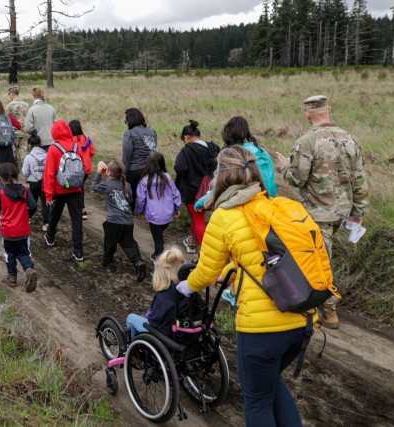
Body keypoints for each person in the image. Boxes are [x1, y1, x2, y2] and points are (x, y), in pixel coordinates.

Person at [177, 145, 311, 427]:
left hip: (262, 330)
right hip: (302, 319)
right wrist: (230, 271)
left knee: (257, 400)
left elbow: (205, 271)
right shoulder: (271, 205)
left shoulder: (225, 216)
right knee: (270, 384)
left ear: (221, 177)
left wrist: (186, 287)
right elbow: (259, 259)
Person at [276, 95, 369, 329]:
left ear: (307, 114)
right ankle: (317, 297)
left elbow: (297, 178)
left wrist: (285, 166)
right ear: (330, 109)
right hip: (343, 212)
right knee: (321, 256)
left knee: (320, 260)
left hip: (318, 213)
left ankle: (328, 308)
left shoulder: (307, 142)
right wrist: (358, 211)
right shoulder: (350, 139)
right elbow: (360, 179)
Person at [194, 116, 278, 211]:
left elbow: (221, 185)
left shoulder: (234, 155)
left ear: (227, 134)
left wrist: (200, 203)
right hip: (269, 201)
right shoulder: (262, 151)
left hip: (250, 203)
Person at [42, 119, 92, 261]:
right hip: (75, 189)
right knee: (77, 221)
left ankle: (50, 237)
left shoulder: (53, 149)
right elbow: (84, 168)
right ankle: (78, 251)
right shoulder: (76, 146)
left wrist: (49, 195)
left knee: (54, 216)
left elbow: (49, 174)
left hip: (59, 190)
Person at [92, 159, 147, 282]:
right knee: (128, 243)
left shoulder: (107, 184)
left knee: (110, 243)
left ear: (109, 173)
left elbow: (94, 187)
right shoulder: (127, 185)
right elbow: (131, 201)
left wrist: (98, 173)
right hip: (128, 221)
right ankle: (138, 262)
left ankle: (107, 262)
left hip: (114, 222)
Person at [173, 120, 219, 254]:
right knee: (197, 217)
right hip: (210, 190)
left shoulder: (187, 150)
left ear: (186, 137)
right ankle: (192, 242)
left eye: (183, 139)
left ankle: (203, 253)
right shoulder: (213, 148)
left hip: (193, 191)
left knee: (198, 220)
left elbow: (180, 168)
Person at [0, 163, 38, 292]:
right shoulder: (25, 190)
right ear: (17, 176)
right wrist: (27, 216)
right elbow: (33, 206)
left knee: (10, 254)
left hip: (8, 232)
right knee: (24, 252)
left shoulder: (1, 193)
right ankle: (29, 270)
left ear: (1, 179)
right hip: (23, 230)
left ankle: (12, 278)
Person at [126, 247, 185, 339]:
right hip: (181, 333)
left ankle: (133, 344)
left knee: (131, 318)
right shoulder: (186, 290)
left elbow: (154, 322)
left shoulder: (164, 296)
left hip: (163, 335)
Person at [135, 152, 182, 261]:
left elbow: (141, 199)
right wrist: (177, 207)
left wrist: (139, 211)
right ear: (162, 163)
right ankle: (158, 254)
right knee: (159, 234)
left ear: (148, 164)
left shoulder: (144, 180)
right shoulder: (167, 177)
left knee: (158, 241)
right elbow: (175, 193)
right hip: (168, 214)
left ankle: (159, 260)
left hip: (154, 216)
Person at [122, 107, 157, 212]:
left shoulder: (130, 134)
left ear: (130, 120)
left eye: (125, 121)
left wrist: (124, 173)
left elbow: (127, 157)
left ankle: (128, 222)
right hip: (151, 169)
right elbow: (153, 151)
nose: (125, 123)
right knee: (150, 198)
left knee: (130, 198)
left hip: (135, 171)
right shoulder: (152, 132)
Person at [21, 131, 49, 231]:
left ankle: (28, 218)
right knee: (46, 204)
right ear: (40, 144)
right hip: (45, 183)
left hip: (33, 183)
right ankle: (46, 224)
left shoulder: (29, 157)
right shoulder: (47, 155)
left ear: (29, 145)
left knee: (31, 203)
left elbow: (25, 172)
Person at [68, 119, 95, 220]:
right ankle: (81, 209)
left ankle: (81, 210)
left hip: (76, 169)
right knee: (80, 187)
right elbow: (92, 152)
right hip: (86, 169)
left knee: (77, 189)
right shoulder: (87, 139)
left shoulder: (70, 140)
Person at [6, 86, 29, 165]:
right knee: (24, 151)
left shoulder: (9, 106)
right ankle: (25, 169)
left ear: (12, 94)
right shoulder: (26, 105)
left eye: (9, 95)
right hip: (24, 132)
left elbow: (7, 120)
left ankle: (15, 170)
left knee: (14, 151)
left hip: (14, 133)